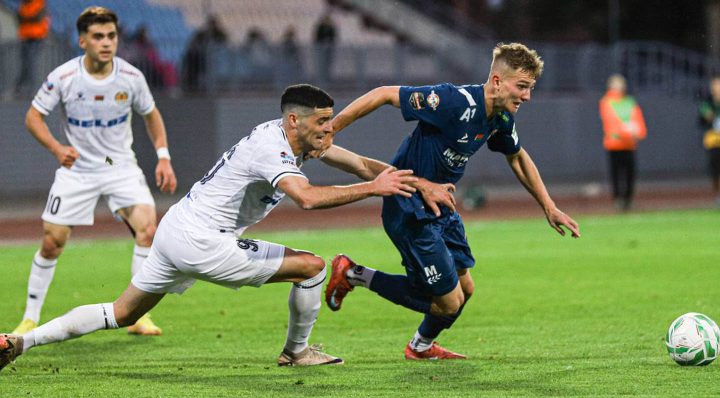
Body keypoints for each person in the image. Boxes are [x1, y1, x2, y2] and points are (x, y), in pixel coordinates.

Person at [0, 83, 456, 370]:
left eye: (330, 122)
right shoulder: (272, 149)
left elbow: (360, 164)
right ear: (294, 120)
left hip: (177, 228)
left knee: (122, 313)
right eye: (322, 122)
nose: (329, 130)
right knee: (313, 268)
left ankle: (20, 342)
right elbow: (308, 198)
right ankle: (296, 352)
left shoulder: (299, 139)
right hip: (203, 241)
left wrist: (419, 184)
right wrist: (374, 190)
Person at [324, 42, 581, 360]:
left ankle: (420, 346)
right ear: (497, 81)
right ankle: (353, 273)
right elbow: (384, 93)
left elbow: (516, 156)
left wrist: (549, 206)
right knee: (448, 303)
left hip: (441, 209)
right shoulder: (453, 101)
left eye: (530, 88)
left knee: (466, 290)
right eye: (522, 86)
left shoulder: (500, 117)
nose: (527, 96)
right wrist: (333, 128)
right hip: (410, 208)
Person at [10, 6, 177, 338]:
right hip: (78, 171)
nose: (106, 43)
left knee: (147, 230)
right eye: (98, 36)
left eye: (111, 36)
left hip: (120, 166)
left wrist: (163, 156)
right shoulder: (63, 77)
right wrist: (57, 148)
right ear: (82, 41)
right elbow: (33, 117)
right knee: (52, 242)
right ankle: (30, 318)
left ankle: (139, 315)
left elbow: (151, 114)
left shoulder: (131, 77)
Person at [598, 74, 647, 211]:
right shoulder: (606, 101)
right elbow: (611, 122)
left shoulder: (629, 102)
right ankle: (618, 200)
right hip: (614, 145)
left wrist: (638, 132)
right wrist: (627, 131)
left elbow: (638, 120)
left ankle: (628, 200)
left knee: (630, 173)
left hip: (629, 144)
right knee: (616, 174)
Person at [181, 15, 228, 92]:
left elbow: (224, 43)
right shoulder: (202, 34)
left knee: (202, 62)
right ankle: (191, 82)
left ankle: (197, 82)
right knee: (192, 59)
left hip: (212, 57)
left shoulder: (220, 34)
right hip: (201, 56)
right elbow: (193, 43)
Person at [15, 0, 50, 94]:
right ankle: (21, 87)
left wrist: (26, 18)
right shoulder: (23, 5)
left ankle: (32, 89)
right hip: (25, 36)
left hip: (36, 37)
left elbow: (37, 18)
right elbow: (19, 18)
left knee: (31, 62)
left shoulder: (39, 3)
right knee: (25, 63)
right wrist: (27, 18)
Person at [698, 75, 720, 204]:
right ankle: (718, 194)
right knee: (715, 169)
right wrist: (707, 117)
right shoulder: (708, 103)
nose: (717, 88)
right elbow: (701, 120)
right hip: (714, 141)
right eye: (715, 85)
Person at [313, 13, 336, 84]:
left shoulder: (331, 28)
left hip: (329, 49)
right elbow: (316, 37)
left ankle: (327, 78)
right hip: (320, 49)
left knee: (328, 64)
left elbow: (334, 37)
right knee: (320, 64)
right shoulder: (320, 27)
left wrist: (329, 42)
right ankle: (320, 78)